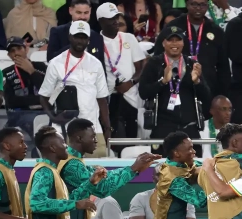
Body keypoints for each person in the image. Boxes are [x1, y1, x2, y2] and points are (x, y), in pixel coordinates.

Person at [40, 21, 111, 158]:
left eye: (84, 38)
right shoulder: (56, 63)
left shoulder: (96, 63)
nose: (80, 41)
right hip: (65, 129)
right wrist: (53, 117)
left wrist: (107, 127)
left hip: (92, 128)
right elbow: (44, 96)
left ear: (89, 40)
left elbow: (102, 99)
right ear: (70, 37)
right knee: (67, 168)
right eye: (77, 37)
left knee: (97, 168)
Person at [138, 26, 211, 157]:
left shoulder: (191, 64)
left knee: (194, 167)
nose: (174, 44)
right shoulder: (155, 63)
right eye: (170, 40)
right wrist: (162, 82)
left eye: (178, 40)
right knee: (163, 167)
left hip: (189, 128)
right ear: (163, 43)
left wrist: (197, 82)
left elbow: (206, 97)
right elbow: (143, 92)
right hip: (163, 128)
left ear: (183, 43)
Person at [97, 3, 146, 157]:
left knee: (131, 138)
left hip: (130, 95)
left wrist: (130, 83)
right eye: (111, 18)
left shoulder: (128, 38)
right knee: (110, 136)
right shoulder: (95, 41)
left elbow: (141, 68)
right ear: (101, 21)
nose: (115, 21)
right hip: (106, 97)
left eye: (116, 17)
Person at [154, 0, 230, 98]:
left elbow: (223, 67)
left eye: (202, 4)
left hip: (208, 89)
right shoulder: (173, 27)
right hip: (176, 88)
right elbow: (157, 59)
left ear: (207, 6)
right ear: (186, 4)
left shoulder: (216, 31)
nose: (198, 8)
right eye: (193, 4)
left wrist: (223, 95)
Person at [2, 37, 47, 151]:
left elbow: (48, 92)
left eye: (19, 49)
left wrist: (32, 72)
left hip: (44, 112)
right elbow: (11, 101)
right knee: (34, 123)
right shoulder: (7, 72)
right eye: (12, 51)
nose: (16, 53)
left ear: (26, 49)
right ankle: (38, 151)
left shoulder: (41, 67)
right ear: (9, 55)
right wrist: (39, 99)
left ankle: (39, 151)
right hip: (19, 115)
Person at [47, 0, 105, 64]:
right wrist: (73, 46)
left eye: (86, 13)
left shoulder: (97, 37)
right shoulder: (58, 32)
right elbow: (50, 58)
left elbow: (101, 65)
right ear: (70, 11)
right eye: (79, 12)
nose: (82, 17)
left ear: (90, 11)